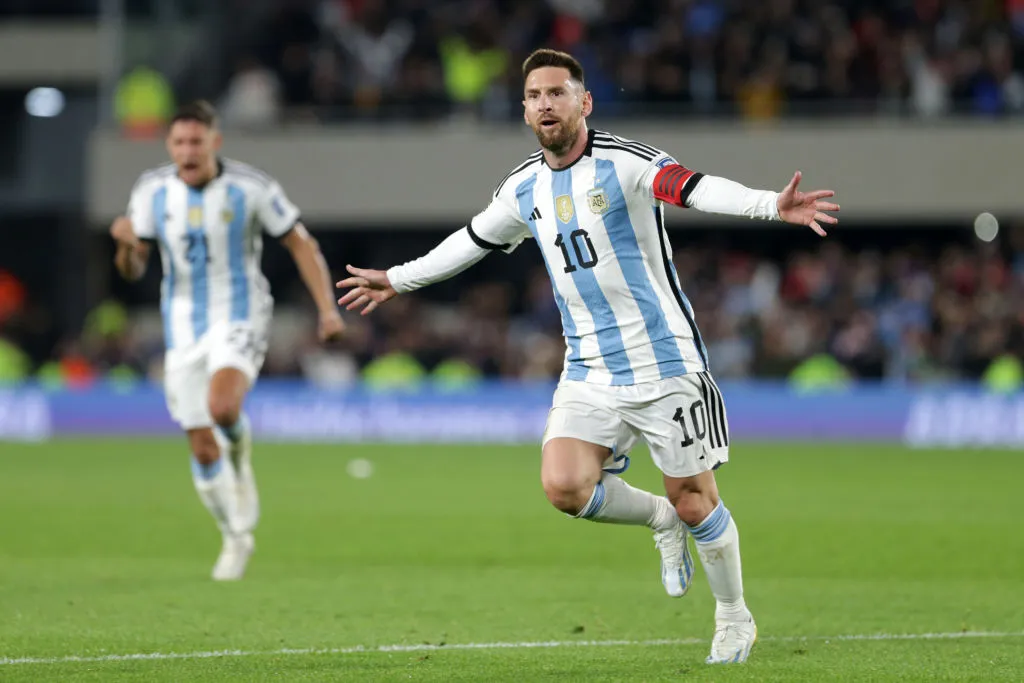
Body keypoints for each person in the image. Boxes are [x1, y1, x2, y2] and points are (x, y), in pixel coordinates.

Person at [337, 49, 838, 664]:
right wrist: (398, 278)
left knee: (697, 500)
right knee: (565, 487)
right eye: (534, 96)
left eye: (557, 92)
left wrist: (769, 204)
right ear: (524, 111)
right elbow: (469, 240)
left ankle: (734, 616)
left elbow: (692, 187)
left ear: (584, 102)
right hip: (590, 370)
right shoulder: (524, 188)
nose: (545, 103)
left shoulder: (626, 163)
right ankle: (660, 521)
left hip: (665, 363)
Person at [111, 100, 345, 580]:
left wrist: (326, 309)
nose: (188, 150)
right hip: (182, 326)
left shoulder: (250, 187)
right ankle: (235, 536)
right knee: (200, 445)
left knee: (222, 408)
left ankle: (240, 455)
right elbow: (132, 269)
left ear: (215, 142)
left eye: (196, 141)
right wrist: (126, 244)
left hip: (241, 313)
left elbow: (301, 243)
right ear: (169, 146)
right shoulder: (151, 191)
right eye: (179, 142)